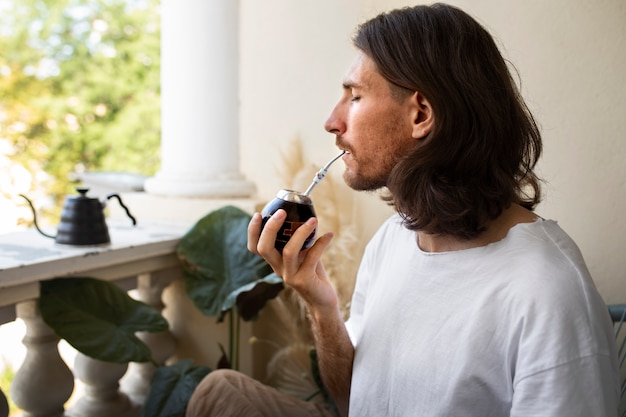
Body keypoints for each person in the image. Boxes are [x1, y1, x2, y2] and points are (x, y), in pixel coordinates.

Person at [186, 3, 620, 417]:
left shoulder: (546, 291)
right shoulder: (395, 239)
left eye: (354, 96)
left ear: (421, 114)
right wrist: (321, 305)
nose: (332, 121)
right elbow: (352, 402)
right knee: (219, 392)